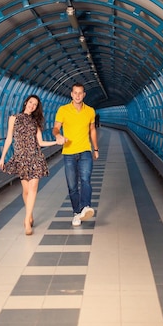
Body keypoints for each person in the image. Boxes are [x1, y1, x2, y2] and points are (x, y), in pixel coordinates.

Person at [0, 95, 59, 235]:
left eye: (35, 104)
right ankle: (30, 214)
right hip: (21, 158)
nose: (32, 105)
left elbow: (40, 143)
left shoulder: (36, 122)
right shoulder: (13, 118)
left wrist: (56, 142)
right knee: (25, 191)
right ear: (26, 102)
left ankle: (27, 221)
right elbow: (9, 139)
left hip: (35, 157)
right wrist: (2, 158)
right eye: (31, 102)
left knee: (33, 188)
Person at [52, 83, 99, 227]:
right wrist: (58, 136)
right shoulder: (63, 110)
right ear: (71, 94)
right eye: (75, 93)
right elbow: (55, 128)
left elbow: (92, 130)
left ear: (84, 94)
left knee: (86, 180)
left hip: (85, 150)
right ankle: (76, 213)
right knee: (72, 186)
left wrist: (95, 149)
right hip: (68, 153)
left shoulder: (90, 111)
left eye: (80, 93)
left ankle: (85, 207)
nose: (78, 95)